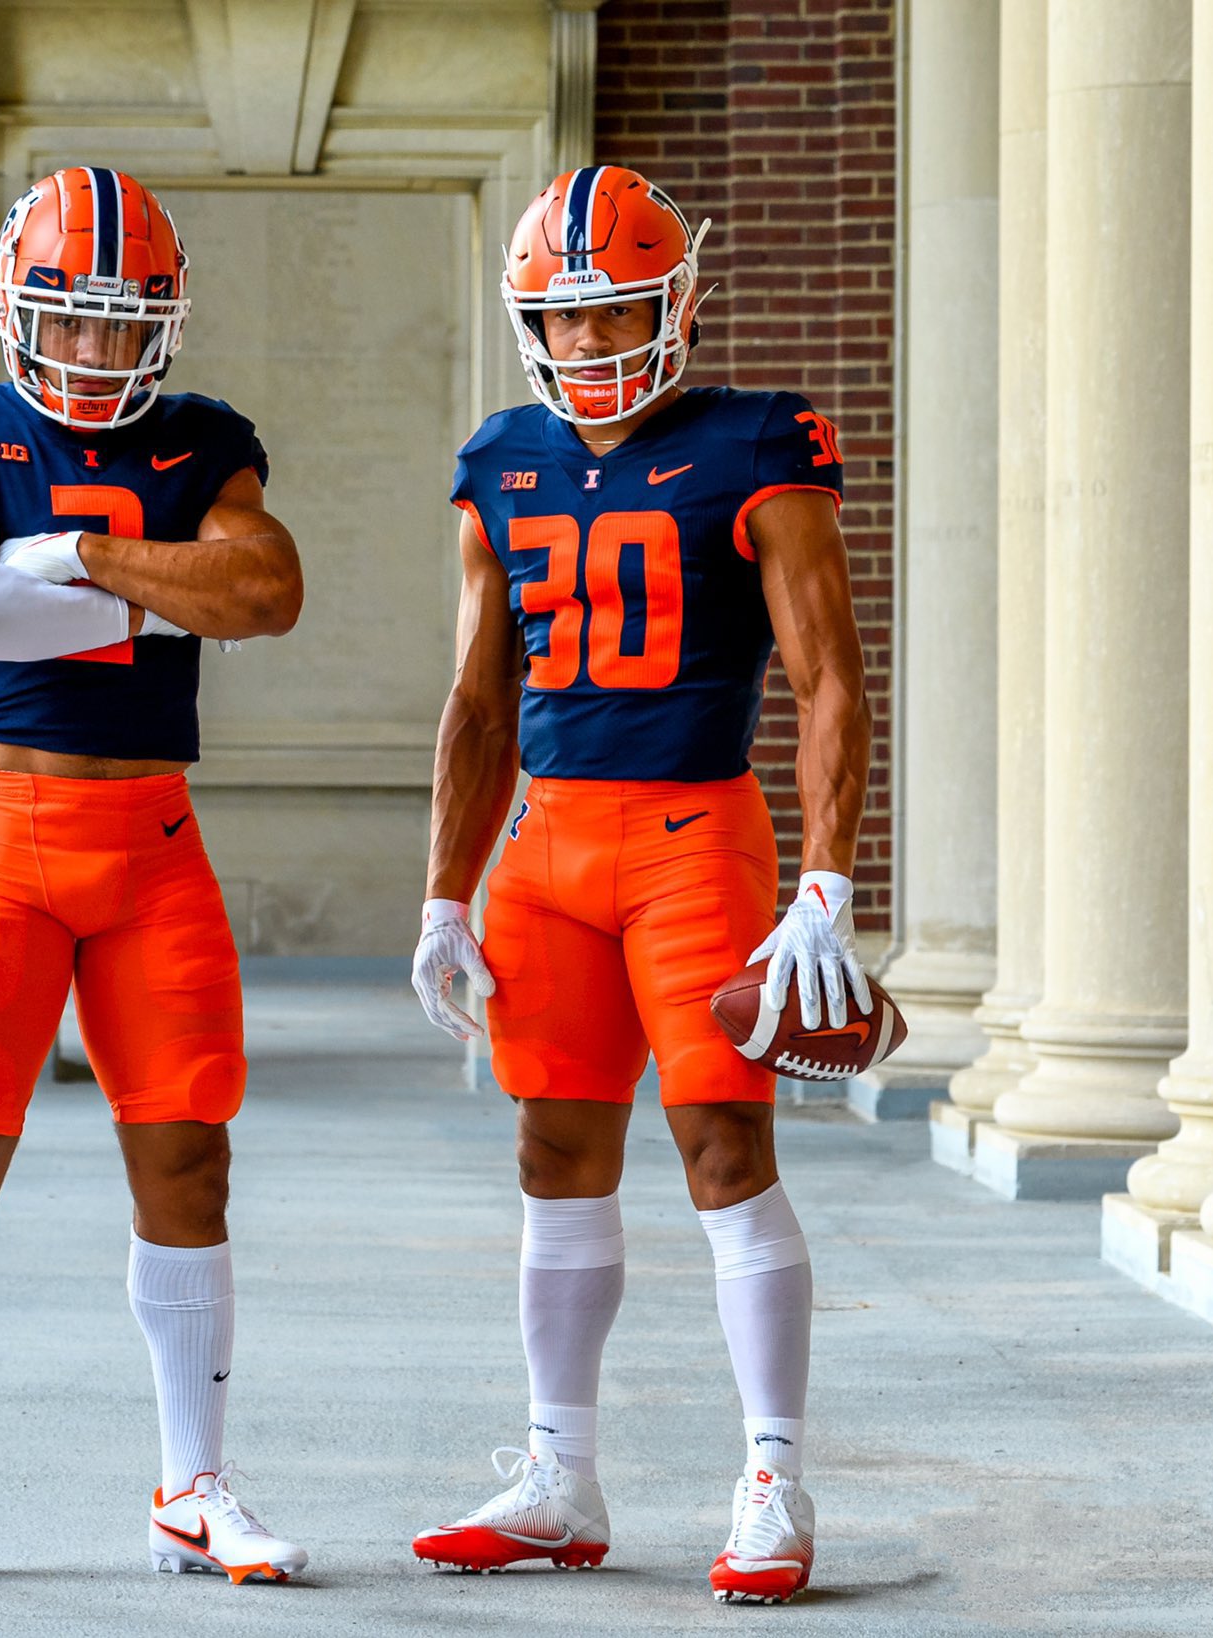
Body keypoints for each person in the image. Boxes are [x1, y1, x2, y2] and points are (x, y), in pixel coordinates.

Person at [407, 164, 874, 1606]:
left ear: (676, 303)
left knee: (725, 1150)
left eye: (617, 310)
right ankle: (561, 1477)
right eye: (567, 316)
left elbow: (828, 677)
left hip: (693, 838)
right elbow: (480, 698)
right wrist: (444, 891)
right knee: (555, 1154)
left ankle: (774, 1475)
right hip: (546, 850)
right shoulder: (501, 459)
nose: (592, 340)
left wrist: (829, 878)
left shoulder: (756, 442)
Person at [0, 166, 307, 1587]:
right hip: (0, 834)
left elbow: (267, 593)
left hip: (152, 840)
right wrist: (156, 593)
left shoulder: (204, 439)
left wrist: (77, 553)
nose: (97, 349)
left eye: (124, 322)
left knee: (190, 1156)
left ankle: (193, 1486)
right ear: (13, 311)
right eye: (71, 318)